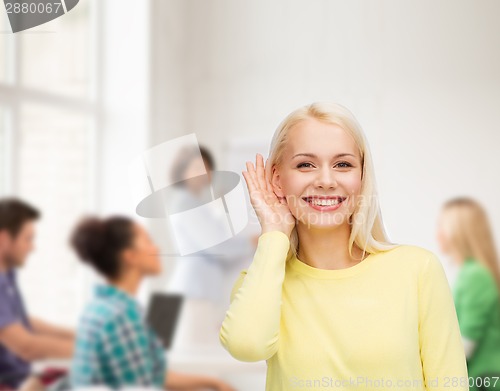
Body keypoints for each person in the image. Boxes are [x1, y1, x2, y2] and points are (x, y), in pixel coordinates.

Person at [219, 102, 469, 391]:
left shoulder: (417, 270)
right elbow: (246, 346)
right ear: (277, 178)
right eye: (305, 164)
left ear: (361, 177)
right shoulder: (262, 283)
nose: (326, 181)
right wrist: (274, 233)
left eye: (343, 164)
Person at [69, 215, 235, 390]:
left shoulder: (101, 308)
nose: (156, 247)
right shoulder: (122, 316)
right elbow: (143, 384)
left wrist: (212, 383)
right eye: (147, 241)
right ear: (130, 256)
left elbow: (152, 375)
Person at [0, 198, 74, 390]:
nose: (32, 247)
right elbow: (26, 347)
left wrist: (80, 335)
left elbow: (21, 322)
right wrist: (93, 349)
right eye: (28, 239)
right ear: (4, 238)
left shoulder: (7, 276)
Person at [437, 198, 500, 391]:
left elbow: (466, 341)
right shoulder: (469, 272)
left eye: (441, 226)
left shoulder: (475, 276)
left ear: (458, 232)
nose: (437, 234)